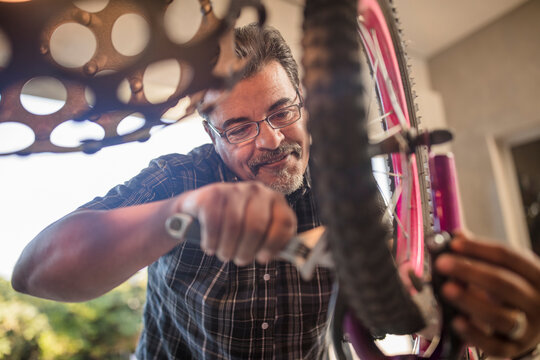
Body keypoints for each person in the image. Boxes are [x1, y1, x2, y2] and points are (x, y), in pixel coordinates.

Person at [11, 24, 540, 359]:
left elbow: (403, 297)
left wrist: (472, 318)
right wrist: (178, 215)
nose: (270, 140)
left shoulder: (345, 192)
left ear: (303, 104)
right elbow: (35, 272)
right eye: (238, 128)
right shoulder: (178, 177)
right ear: (210, 135)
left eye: (282, 111)